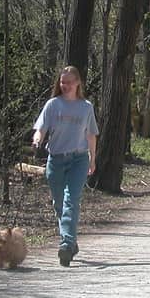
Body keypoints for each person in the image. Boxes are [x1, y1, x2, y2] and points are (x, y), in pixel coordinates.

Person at [32, 66, 99, 267]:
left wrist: (93, 158)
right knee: (58, 203)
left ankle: (66, 244)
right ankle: (71, 241)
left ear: (78, 83)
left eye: (69, 82)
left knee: (72, 200)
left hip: (79, 159)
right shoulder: (53, 105)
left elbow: (91, 135)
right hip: (56, 159)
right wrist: (37, 140)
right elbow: (41, 128)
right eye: (63, 82)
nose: (65, 86)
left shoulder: (86, 107)